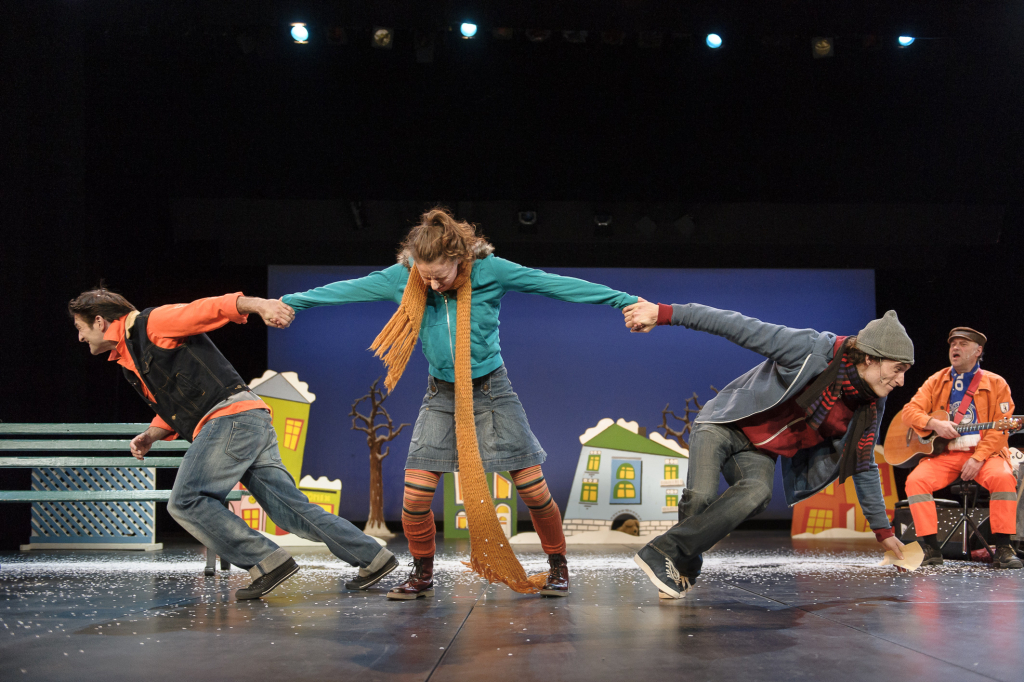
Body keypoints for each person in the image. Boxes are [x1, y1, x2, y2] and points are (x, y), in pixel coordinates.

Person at [281, 207, 639, 599]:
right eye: (424, 275)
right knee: (415, 498)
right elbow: (345, 290)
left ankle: (557, 566)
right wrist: (289, 303)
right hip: (442, 395)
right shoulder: (405, 278)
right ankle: (422, 573)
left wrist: (622, 301)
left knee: (534, 491)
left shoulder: (491, 271)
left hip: (492, 392)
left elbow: (552, 284)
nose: (431, 285)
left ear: (459, 258)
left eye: (440, 275)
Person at [69, 287, 397, 599]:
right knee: (290, 511)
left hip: (229, 419)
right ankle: (374, 557)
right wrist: (151, 434)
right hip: (247, 419)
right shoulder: (130, 355)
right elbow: (177, 400)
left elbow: (208, 308)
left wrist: (260, 305)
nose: (80, 336)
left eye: (80, 327)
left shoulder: (151, 323)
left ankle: (268, 562)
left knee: (187, 500)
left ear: (100, 321)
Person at [624, 302, 912, 598]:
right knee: (700, 497)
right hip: (724, 423)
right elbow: (735, 325)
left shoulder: (869, 403)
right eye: (897, 369)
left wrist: (883, 531)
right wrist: (664, 314)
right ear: (869, 358)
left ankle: (668, 557)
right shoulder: (810, 350)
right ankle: (679, 563)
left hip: (759, 451)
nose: (901, 380)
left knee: (758, 492)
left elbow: (862, 464)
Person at [901, 327, 1021, 569]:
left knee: (1003, 478)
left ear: (978, 351)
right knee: (916, 481)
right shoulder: (936, 380)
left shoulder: (997, 383)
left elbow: (1001, 429)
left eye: (963, 344)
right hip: (946, 454)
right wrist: (933, 423)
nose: (955, 348)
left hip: (985, 454)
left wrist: (977, 458)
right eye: (952, 344)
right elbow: (908, 412)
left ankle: (1004, 547)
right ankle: (931, 548)